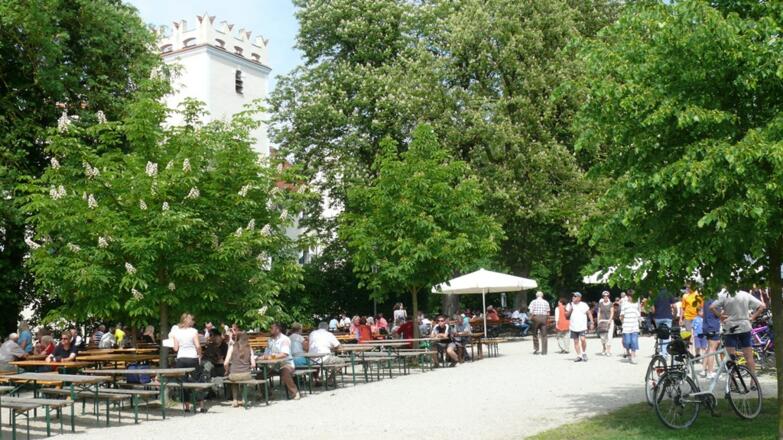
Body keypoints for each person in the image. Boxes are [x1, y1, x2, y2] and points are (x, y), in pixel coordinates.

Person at [710, 289, 766, 374]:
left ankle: (732, 382)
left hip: (730, 328)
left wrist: (720, 316)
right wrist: (753, 317)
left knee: (730, 357)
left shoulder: (724, 295)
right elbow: (762, 306)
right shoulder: (745, 294)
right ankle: (753, 383)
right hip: (745, 327)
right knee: (749, 357)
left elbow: (712, 307)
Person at [172, 313, 205, 413]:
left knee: (183, 382)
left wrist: (173, 341)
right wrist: (199, 355)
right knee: (198, 380)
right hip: (192, 357)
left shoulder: (176, 333)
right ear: (189, 321)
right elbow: (198, 346)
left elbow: (175, 348)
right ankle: (201, 405)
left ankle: (186, 406)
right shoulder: (194, 331)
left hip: (181, 358)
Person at [262, 323, 299, 400]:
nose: (270, 330)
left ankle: (295, 393)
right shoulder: (270, 340)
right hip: (273, 366)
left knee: (285, 372)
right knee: (260, 375)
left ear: (277, 330)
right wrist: (263, 357)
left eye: (272, 328)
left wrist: (269, 357)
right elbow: (266, 352)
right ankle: (267, 395)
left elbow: (284, 354)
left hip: (286, 364)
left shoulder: (285, 339)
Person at [223, 332, 256, 407]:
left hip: (234, 374)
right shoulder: (249, 348)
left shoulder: (232, 347)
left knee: (234, 381)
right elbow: (253, 365)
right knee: (244, 380)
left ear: (236, 339)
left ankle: (235, 400)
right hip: (246, 375)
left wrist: (227, 370)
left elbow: (225, 363)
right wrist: (248, 367)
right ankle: (244, 399)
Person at [566, 292, 593, 362]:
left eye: (575, 296)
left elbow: (589, 313)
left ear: (579, 298)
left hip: (582, 326)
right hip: (573, 326)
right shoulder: (569, 305)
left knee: (583, 339)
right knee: (576, 341)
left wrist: (592, 322)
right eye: (572, 296)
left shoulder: (584, 305)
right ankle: (579, 355)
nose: (573, 297)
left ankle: (584, 353)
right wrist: (571, 309)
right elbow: (566, 316)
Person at [702, 291, 723, 378]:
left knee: (710, 348)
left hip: (707, 325)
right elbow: (718, 314)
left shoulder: (706, 299)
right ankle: (710, 372)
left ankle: (704, 370)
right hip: (712, 325)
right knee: (712, 349)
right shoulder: (714, 300)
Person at [651, 289, 675, 356]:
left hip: (658, 317)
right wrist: (675, 314)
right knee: (666, 335)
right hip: (668, 317)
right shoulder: (669, 293)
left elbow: (653, 309)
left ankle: (662, 351)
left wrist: (653, 315)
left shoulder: (654, 294)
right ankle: (664, 352)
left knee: (661, 335)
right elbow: (674, 306)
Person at [620, 291, 641, 364]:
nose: (631, 298)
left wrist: (639, 320)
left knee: (634, 341)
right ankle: (628, 351)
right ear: (628, 296)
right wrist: (622, 323)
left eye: (633, 296)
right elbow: (622, 315)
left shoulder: (636, 304)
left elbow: (638, 314)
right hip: (626, 326)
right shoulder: (624, 304)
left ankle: (633, 356)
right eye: (630, 296)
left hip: (634, 326)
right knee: (627, 342)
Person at [529, 291, 550, 355]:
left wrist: (531, 318)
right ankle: (544, 351)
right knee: (544, 335)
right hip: (544, 318)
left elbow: (531, 311)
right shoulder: (546, 302)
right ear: (542, 296)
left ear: (536, 296)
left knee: (535, 334)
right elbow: (548, 312)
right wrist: (546, 318)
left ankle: (536, 349)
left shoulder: (533, 302)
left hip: (536, 318)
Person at [596, 291, 614, 356]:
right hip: (602, 321)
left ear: (608, 296)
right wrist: (598, 320)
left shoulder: (611, 304)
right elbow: (599, 312)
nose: (605, 297)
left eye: (607, 296)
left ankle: (608, 350)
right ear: (603, 297)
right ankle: (604, 348)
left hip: (609, 321)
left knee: (609, 336)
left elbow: (612, 312)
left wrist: (610, 320)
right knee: (603, 337)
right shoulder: (600, 303)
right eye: (604, 296)